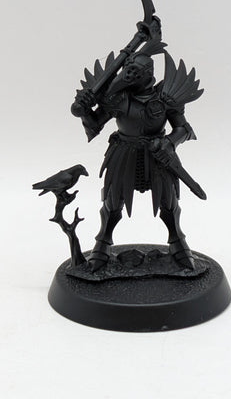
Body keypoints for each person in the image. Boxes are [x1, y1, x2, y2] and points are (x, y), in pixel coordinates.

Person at [71, 17, 204, 272]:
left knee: (169, 205)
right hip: (124, 153)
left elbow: (185, 129)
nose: (129, 76)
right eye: (128, 71)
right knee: (112, 204)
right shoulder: (118, 97)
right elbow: (94, 125)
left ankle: (178, 244)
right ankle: (102, 246)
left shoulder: (165, 96)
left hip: (158, 155)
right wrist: (84, 112)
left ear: (148, 75)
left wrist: (169, 142)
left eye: (135, 73)